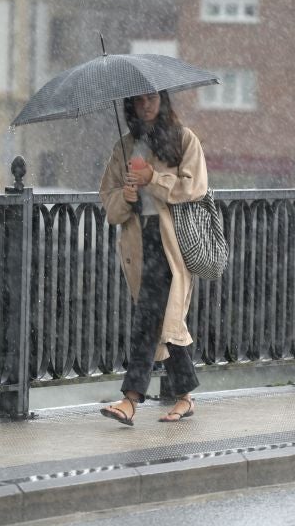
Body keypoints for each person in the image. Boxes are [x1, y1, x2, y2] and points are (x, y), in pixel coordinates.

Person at [98, 90, 208, 425]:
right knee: (165, 322)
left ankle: (131, 399)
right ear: (129, 104)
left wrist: (153, 179)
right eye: (138, 100)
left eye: (152, 99)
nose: (146, 105)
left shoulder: (183, 139)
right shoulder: (124, 147)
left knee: (148, 318)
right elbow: (109, 199)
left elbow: (194, 186)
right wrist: (127, 196)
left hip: (172, 242)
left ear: (163, 101)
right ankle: (186, 395)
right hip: (138, 243)